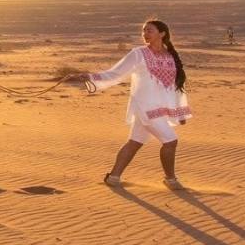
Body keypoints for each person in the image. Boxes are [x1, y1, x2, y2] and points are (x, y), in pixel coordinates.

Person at [81, 19, 192, 190]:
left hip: (160, 108)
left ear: (162, 34)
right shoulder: (138, 53)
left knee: (135, 141)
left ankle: (114, 177)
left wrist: (180, 113)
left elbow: (178, 86)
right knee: (171, 141)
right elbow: (116, 73)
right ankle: (171, 180)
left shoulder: (171, 57)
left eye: (150, 31)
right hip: (145, 106)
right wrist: (89, 77)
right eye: (144, 31)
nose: (145, 34)